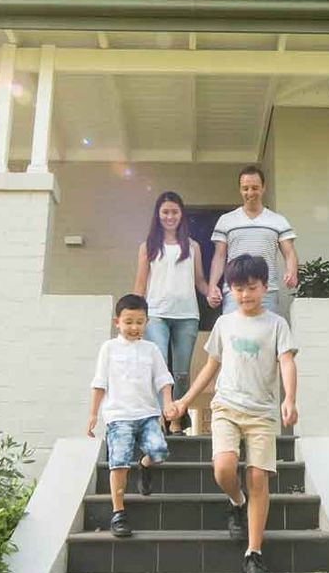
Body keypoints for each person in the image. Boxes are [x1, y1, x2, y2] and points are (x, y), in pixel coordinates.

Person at [170, 254, 297, 573]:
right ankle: (235, 501)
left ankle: (253, 553)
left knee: (258, 477)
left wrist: (290, 398)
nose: (245, 295)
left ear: (264, 287)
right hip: (226, 407)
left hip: (262, 414)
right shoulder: (225, 324)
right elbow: (210, 367)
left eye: (251, 288)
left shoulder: (276, 324)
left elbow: (286, 363)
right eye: (238, 289)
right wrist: (184, 400)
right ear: (230, 291)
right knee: (224, 469)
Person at [85, 294, 177, 539]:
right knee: (119, 464)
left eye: (139, 322)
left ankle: (144, 465)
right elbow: (99, 383)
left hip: (148, 414)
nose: (134, 327)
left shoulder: (152, 349)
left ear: (146, 322)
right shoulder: (109, 348)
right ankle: (118, 513)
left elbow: (164, 380)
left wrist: (168, 403)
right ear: (118, 322)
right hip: (118, 416)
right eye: (128, 322)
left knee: (159, 451)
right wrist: (93, 414)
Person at [133, 191, 206, 422]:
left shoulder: (192, 246)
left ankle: (177, 419)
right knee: (160, 366)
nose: (170, 216)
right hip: (156, 314)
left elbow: (200, 281)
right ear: (158, 214)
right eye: (165, 211)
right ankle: (159, 418)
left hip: (187, 315)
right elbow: (140, 284)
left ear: (181, 214)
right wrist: (134, 317)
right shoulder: (148, 247)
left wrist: (211, 292)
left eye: (174, 211)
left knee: (182, 373)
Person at [204, 164, 298, 320]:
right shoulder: (226, 221)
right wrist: (212, 286)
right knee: (233, 340)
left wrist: (292, 272)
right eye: (245, 188)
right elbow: (219, 257)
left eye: (255, 188)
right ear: (240, 190)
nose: (250, 192)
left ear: (263, 188)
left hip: (266, 292)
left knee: (267, 339)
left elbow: (290, 253)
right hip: (234, 291)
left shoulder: (278, 221)